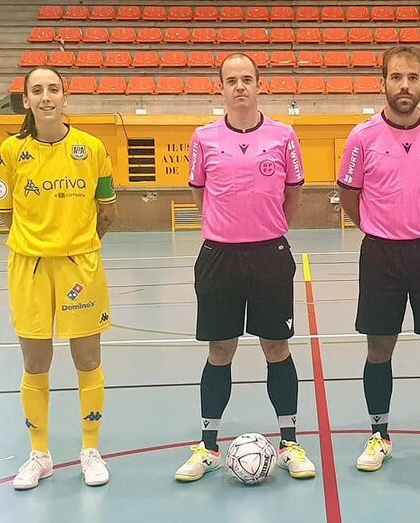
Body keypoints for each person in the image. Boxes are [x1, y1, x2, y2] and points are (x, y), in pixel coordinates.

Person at [174, 53, 316, 482]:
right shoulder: (204, 138)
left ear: (259, 85)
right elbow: (201, 195)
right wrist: (226, 228)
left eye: (247, 79)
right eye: (231, 80)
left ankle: (290, 441)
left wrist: (267, 228)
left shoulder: (284, 136)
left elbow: (293, 193)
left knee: (277, 348)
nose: (240, 87)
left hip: (269, 255)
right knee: (220, 351)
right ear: (221, 88)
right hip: (219, 257)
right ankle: (209, 445)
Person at [337, 46, 420, 472]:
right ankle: (379, 435)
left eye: (412, 78)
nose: (405, 86)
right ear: (383, 83)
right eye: (397, 77)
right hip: (381, 254)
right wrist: (382, 228)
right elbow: (348, 195)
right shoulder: (361, 138)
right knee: (380, 346)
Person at [0, 67, 117, 489]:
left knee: (87, 359)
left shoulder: (93, 148)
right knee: (35, 362)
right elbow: (3, 215)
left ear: (66, 97)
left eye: (53, 89)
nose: (46, 97)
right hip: (28, 267)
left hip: (80, 264)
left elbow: (107, 212)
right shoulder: (9, 151)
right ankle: (39, 454)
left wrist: (76, 243)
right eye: (37, 90)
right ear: (25, 100)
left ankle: (90, 449)